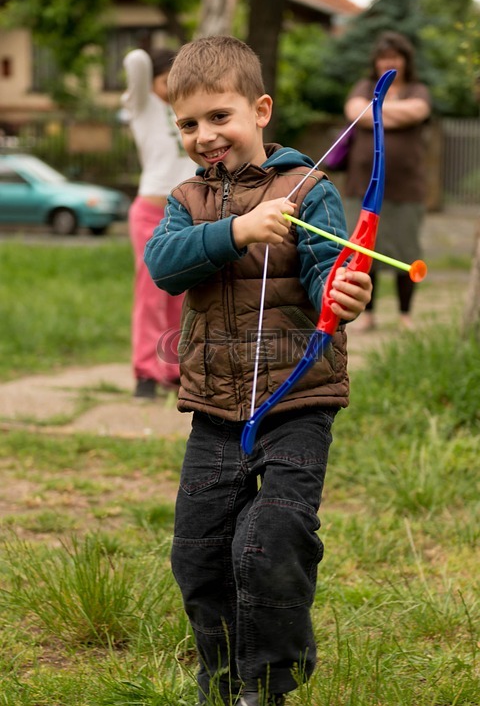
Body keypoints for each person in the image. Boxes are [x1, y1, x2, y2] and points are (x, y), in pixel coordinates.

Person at [144, 36, 372, 706]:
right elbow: (166, 265)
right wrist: (240, 229)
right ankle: (219, 678)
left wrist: (342, 292)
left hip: (298, 398)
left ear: (261, 110)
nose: (205, 135)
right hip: (216, 407)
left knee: (271, 537)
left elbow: (330, 272)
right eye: (189, 123)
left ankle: (267, 686)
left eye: (221, 116)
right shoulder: (186, 199)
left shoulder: (310, 189)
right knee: (200, 553)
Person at [343, 31, 431, 331]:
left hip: (406, 189)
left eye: (394, 57)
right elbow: (355, 111)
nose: (388, 62)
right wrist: (392, 114)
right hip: (363, 187)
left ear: (405, 61)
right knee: (365, 251)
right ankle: (367, 315)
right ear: (376, 61)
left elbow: (418, 111)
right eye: (383, 57)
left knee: (405, 250)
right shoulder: (365, 86)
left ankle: (405, 315)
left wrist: (377, 111)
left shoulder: (418, 89)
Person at [122, 47, 196, 398]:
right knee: (151, 292)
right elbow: (135, 62)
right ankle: (145, 373)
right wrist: (154, 53)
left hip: (185, 214)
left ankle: (174, 368)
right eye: (167, 79)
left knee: (180, 293)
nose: (172, 85)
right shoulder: (143, 107)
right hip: (150, 212)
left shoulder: (190, 111)